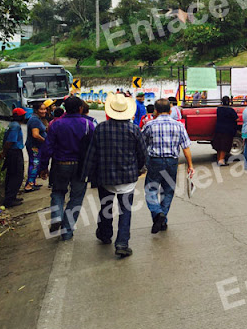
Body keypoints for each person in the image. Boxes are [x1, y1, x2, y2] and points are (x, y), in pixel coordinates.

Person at [81, 92, 147, 258]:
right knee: (126, 211)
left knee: (106, 207)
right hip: (128, 178)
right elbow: (142, 154)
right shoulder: (134, 129)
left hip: (105, 177)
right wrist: (139, 169)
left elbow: (92, 153)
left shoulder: (101, 128)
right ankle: (122, 243)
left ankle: (105, 234)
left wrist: (86, 175)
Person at [39, 96, 95, 240]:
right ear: (80, 109)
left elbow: (47, 147)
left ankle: (57, 216)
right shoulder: (88, 124)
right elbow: (93, 148)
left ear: (65, 109)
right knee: (76, 198)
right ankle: (67, 231)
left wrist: (43, 167)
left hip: (60, 165)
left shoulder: (56, 124)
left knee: (58, 192)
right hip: (81, 167)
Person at [142, 98, 194, 234]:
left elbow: (142, 145)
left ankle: (157, 213)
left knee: (151, 190)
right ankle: (163, 219)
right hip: (172, 162)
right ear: (170, 111)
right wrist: (190, 165)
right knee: (168, 191)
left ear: (155, 111)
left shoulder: (149, 125)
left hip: (155, 161)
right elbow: (186, 147)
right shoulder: (179, 126)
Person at [0, 108, 27, 208]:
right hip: (14, 153)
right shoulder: (15, 126)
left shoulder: (12, 125)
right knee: (16, 176)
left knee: (12, 175)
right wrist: (4, 152)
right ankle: (9, 200)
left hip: (12, 152)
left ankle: (12, 197)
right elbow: (10, 141)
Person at [25, 102, 48, 192]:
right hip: (34, 146)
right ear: (36, 110)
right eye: (41, 109)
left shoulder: (37, 119)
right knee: (34, 164)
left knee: (35, 164)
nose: (44, 111)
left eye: (44, 109)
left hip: (36, 146)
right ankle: (29, 185)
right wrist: (45, 141)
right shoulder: (34, 120)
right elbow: (35, 135)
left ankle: (32, 182)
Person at [213, 96, 238, 166]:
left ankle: (219, 159)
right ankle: (221, 161)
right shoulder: (230, 110)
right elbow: (237, 119)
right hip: (227, 130)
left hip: (219, 129)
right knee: (224, 146)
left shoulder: (219, 109)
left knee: (219, 146)